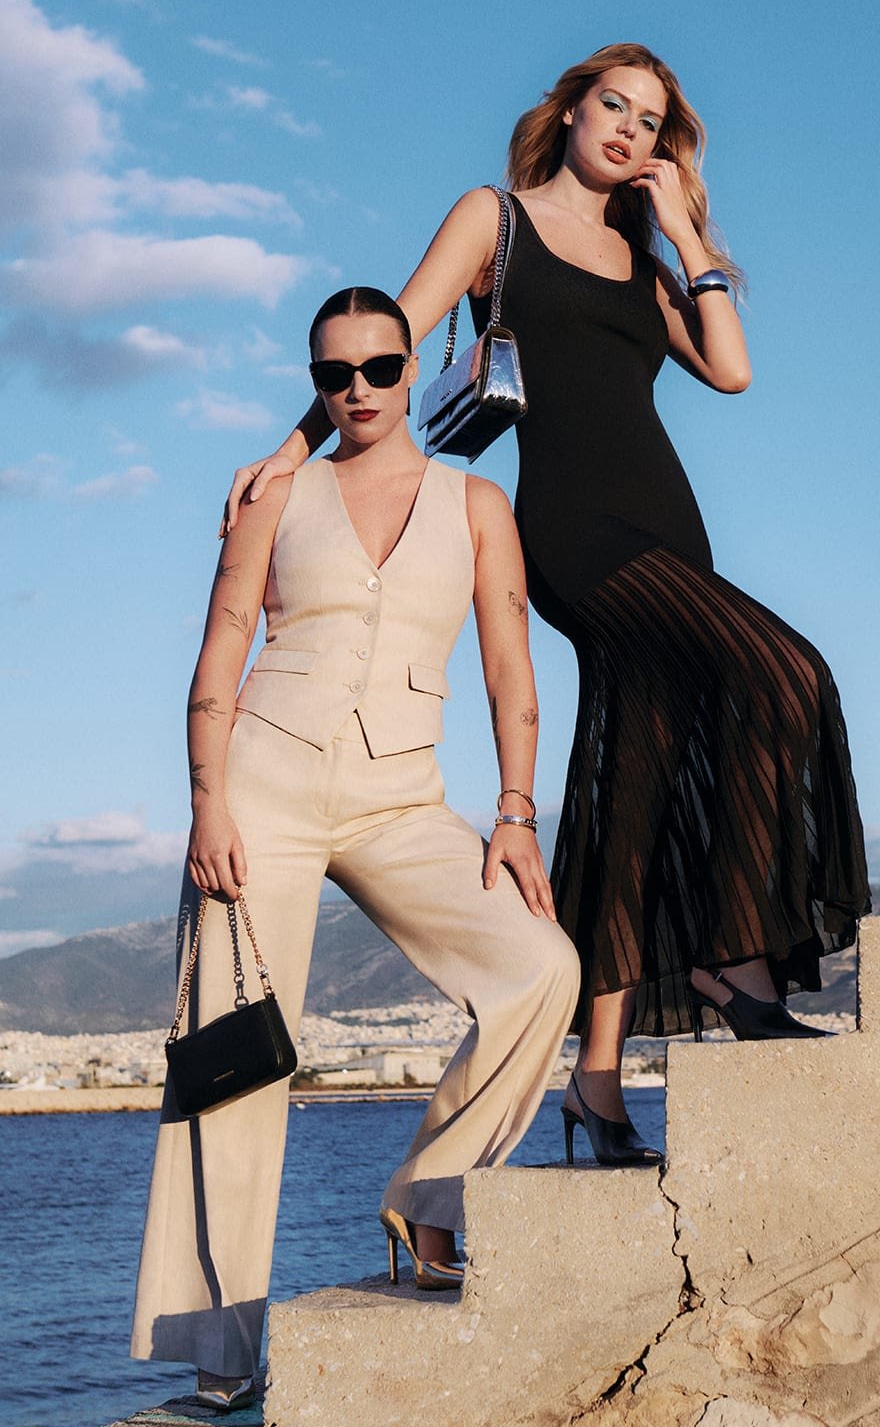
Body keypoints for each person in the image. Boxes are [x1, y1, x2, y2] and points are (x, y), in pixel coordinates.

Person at [224, 43, 870, 1169]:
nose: (626, 129)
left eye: (650, 122)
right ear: (569, 110)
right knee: (786, 671)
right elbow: (393, 338)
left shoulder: (641, 255)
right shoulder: (496, 220)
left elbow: (730, 371)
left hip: (672, 530)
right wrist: (290, 448)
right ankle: (732, 962)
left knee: (630, 788)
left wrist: (686, 237)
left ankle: (597, 1085)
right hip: (573, 533)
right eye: (611, 105)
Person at [131, 287, 579, 1409]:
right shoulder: (282, 495)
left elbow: (509, 668)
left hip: (401, 801)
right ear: (316, 383)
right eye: (336, 376)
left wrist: (516, 809)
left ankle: (430, 1201)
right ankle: (219, 1358)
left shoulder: (476, 503)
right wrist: (207, 807)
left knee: (542, 970)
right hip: (263, 792)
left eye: (382, 369)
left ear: (412, 362)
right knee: (232, 1060)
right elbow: (221, 650)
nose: (362, 392)